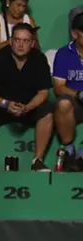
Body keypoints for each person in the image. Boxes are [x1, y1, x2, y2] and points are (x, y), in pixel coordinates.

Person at [0, 23, 54, 172]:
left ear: (32, 43)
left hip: (28, 108)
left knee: (48, 110)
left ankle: (38, 161)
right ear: (11, 41)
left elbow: (43, 92)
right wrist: (5, 104)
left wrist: (28, 107)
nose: (21, 45)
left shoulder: (39, 59)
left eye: (25, 41)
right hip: (2, 107)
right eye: (17, 40)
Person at [52, 12, 83, 170]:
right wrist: (79, 94)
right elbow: (58, 88)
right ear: (74, 33)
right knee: (63, 103)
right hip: (76, 103)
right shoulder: (64, 53)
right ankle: (70, 152)